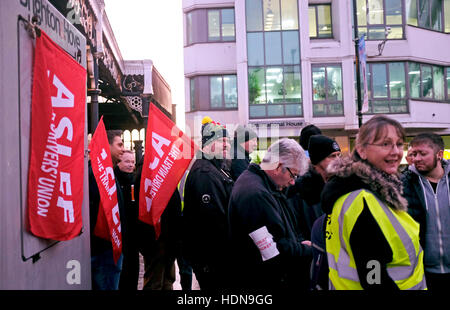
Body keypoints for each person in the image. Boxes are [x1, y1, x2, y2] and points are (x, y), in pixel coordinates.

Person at [321, 115, 426, 290]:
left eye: (399, 144)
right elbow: (374, 278)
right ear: (361, 151)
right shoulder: (363, 201)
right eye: (385, 144)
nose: (396, 152)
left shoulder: (358, 192)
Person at [228, 138, 312, 289]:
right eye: (293, 175)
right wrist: (307, 249)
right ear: (279, 167)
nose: (293, 182)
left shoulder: (263, 184)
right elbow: (274, 250)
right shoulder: (255, 194)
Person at [181, 117, 234, 289]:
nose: (227, 145)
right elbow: (214, 221)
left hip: (214, 258)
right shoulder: (205, 172)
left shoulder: (215, 168)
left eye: (228, 141)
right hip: (212, 259)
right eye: (222, 141)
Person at [285, 135, 341, 290]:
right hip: (309, 260)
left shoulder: (341, 185)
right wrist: (307, 246)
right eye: (331, 156)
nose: (337, 160)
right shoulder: (298, 187)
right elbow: (291, 222)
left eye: (338, 155)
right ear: (317, 162)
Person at [402, 133, 450, 291]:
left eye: (423, 153)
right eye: (414, 154)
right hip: (422, 272)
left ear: (439, 155)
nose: (416, 159)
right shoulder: (403, 184)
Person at [134, 158, 182, 290]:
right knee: (155, 282)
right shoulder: (146, 172)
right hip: (155, 239)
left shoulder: (165, 171)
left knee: (168, 279)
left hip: (169, 237)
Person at [89, 129, 126, 290]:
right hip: (104, 250)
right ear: (107, 146)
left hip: (111, 248)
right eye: (119, 144)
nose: (123, 149)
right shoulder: (96, 174)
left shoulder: (108, 172)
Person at [115, 150, 139, 290]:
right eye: (127, 161)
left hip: (132, 240)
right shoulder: (114, 180)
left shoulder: (134, 181)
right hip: (119, 239)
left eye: (132, 162)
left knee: (132, 276)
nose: (131, 165)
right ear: (118, 163)